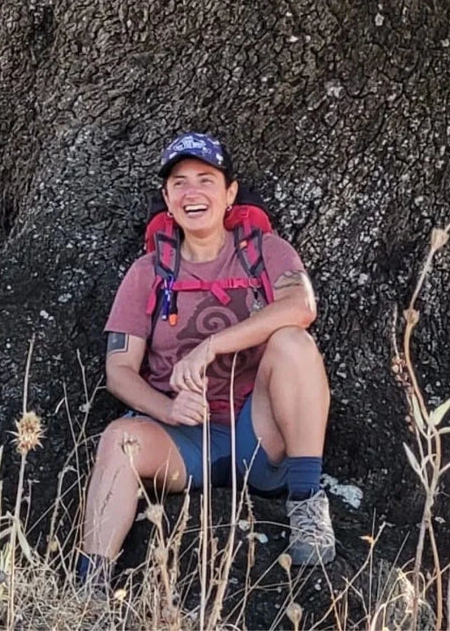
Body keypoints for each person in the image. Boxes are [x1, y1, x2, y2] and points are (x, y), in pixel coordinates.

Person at [76, 132, 335, 592]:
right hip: (181, 439)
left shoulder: (264, 252)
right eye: (179, 183)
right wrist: (165, 408)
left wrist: (212, 345)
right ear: (167, 199)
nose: (192, 192)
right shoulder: (148, 271)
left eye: (206, 179)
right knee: (119, 439)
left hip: (256, 430)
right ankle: (88, 587)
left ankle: (307, 503)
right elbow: (118, 371)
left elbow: (301, 307)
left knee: (293, 343)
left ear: (230, 192)